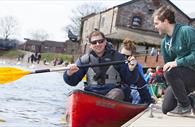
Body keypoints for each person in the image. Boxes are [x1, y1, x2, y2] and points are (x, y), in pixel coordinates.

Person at [63, 31, 152, 104]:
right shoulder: (84, 60)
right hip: (92, 92)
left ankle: (100, 111)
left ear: (105, 42)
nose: (98, 44)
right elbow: (72, 82)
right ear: (90, 45)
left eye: (100, 41)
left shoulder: (118, 57)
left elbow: (130, 81)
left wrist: (132, 70)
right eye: (94, 42)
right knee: (76, 93)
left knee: (116, 93)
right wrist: (69, 73)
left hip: (114, 93)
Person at [153, 6, 195, 116]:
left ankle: (185, 107)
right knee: (166, 108)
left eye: (156, 23)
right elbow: (168, 66)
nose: (155, 26)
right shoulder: (164, 42)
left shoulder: (186, 31)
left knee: (170, 70)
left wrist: (177, 62)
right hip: (181, 77)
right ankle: (191, 101)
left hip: (192, 73)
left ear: (165, 21)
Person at [120, 38, 153, 104]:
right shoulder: (116, 64)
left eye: (127, 56)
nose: (124, 58)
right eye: (121, 55)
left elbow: (142, 85)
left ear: (132, 56)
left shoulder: (137, 67)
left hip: (132, 94)